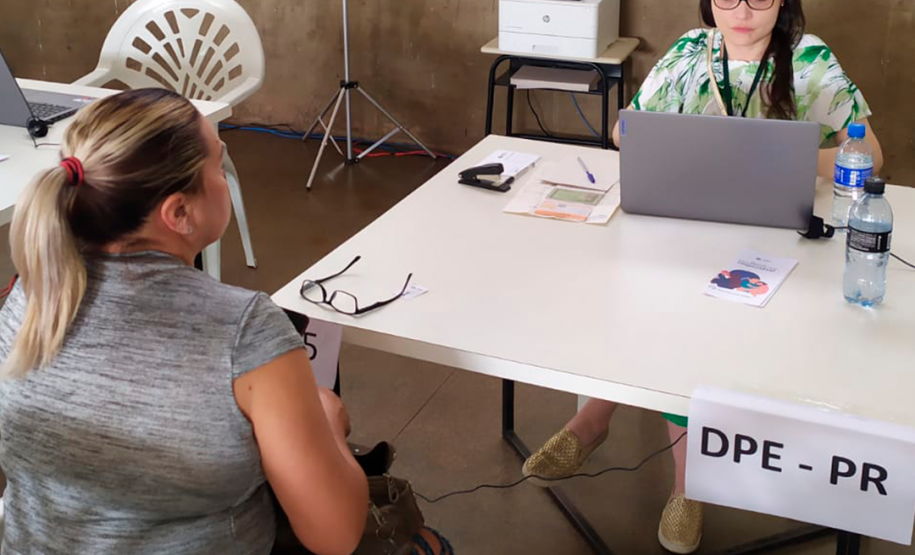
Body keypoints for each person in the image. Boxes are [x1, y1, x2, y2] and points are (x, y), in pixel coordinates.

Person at [0, 88, 445, 555]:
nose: (227, 176)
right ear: (180, 212)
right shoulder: (246, 331)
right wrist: (329, 425)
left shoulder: (26, 300)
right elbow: (334, 534)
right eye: (218, 164)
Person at [523, 1, 883, 553]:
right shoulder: (692, 50)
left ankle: (681, 481)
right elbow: (627, 131)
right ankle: (597, 419)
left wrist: (772, 158)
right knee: (635, 290)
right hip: (686, 218)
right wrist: (656, 135)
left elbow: (869, 155)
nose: (741, 10)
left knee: (692, 321)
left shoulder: (809, 60)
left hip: (771, 236)